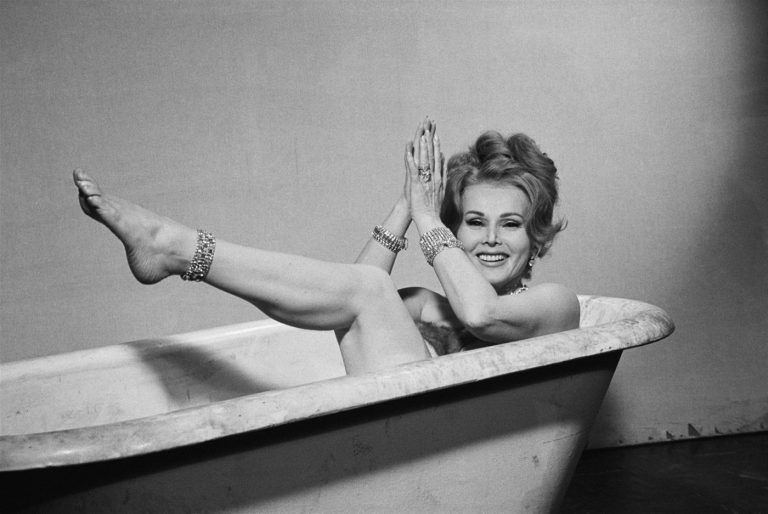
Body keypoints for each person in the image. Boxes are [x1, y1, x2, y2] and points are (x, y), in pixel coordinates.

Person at [73, 119, 579, 375]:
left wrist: (428, 217)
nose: (490, 239)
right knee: (371, 288)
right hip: (399, 443)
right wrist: (408, 204)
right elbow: (345, 300)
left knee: (373, 291)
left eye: (510, 224)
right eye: (474, 221)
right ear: (456, 232)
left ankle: (177, 248)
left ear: (535, 236)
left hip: (447, 444)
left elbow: (483, 314)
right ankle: (177, 250)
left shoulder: (557, 305)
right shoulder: (432, 307)